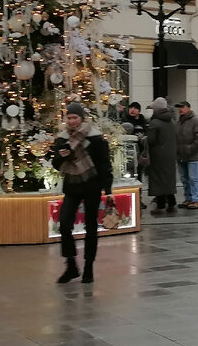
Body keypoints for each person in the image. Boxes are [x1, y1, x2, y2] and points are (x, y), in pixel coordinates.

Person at [48, 103, 114, 284]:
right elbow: (55, 163)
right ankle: (71, 265)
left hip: (92, 186)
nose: (71, 121)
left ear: (81, 118)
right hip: (72, 186)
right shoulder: (62, 138)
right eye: (69, 118)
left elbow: (104, 164)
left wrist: (108, 189)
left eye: (74, 117)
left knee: (91, 227)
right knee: (64, 224)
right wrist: (62, 155)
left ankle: (88, 268)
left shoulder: (96, 138)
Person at [146, 98, 178, 216]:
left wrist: (143, 139)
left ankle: (160, 206)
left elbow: (151, 140)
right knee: (168, 179)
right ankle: (171, 203)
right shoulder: (171, 121)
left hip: (158, 155)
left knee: (158, 180)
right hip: (170, 154)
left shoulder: (155, 122)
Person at [174, 100, 198, 210]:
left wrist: (191, 148)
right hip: (180, 155)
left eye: (182, 107)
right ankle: (188, 198)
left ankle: (196, 200)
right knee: (184, 178)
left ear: (188, 108)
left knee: (193, 178)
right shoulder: (178, 122)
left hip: (192, 155)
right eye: (179, 107)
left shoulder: (195, 121)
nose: (180, 109)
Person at [126, 101, 149, 208]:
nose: (132, 110)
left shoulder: (143, 121)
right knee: (130, 176)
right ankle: (130, 198)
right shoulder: (125, 120)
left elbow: (147, 134)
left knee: (139, 176)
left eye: (135, 108)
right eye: (131, 108)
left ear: (139, 111)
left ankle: (138, 199)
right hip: (129, 154)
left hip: (140, 154)